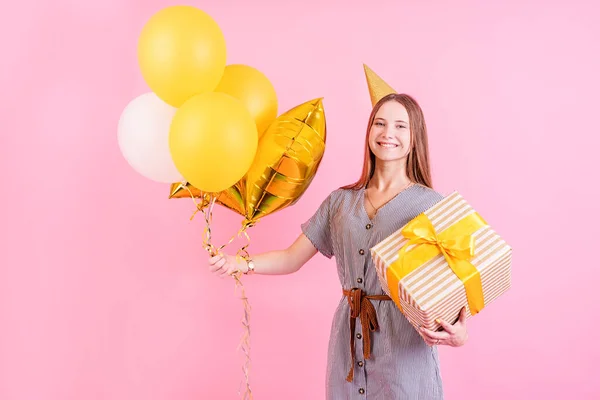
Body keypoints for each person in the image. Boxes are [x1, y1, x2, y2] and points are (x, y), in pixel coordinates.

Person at [208, 93, 469, 399]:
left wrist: (460, 334)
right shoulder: (340, 202)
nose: (388, 134)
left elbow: (457, 282)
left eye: (401, 126)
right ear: (369, 131)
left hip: (404, 350)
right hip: (347, 343)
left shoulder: (433, 206)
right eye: (380, 124)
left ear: (415, 138)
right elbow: (292, 258)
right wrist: (242, 264)